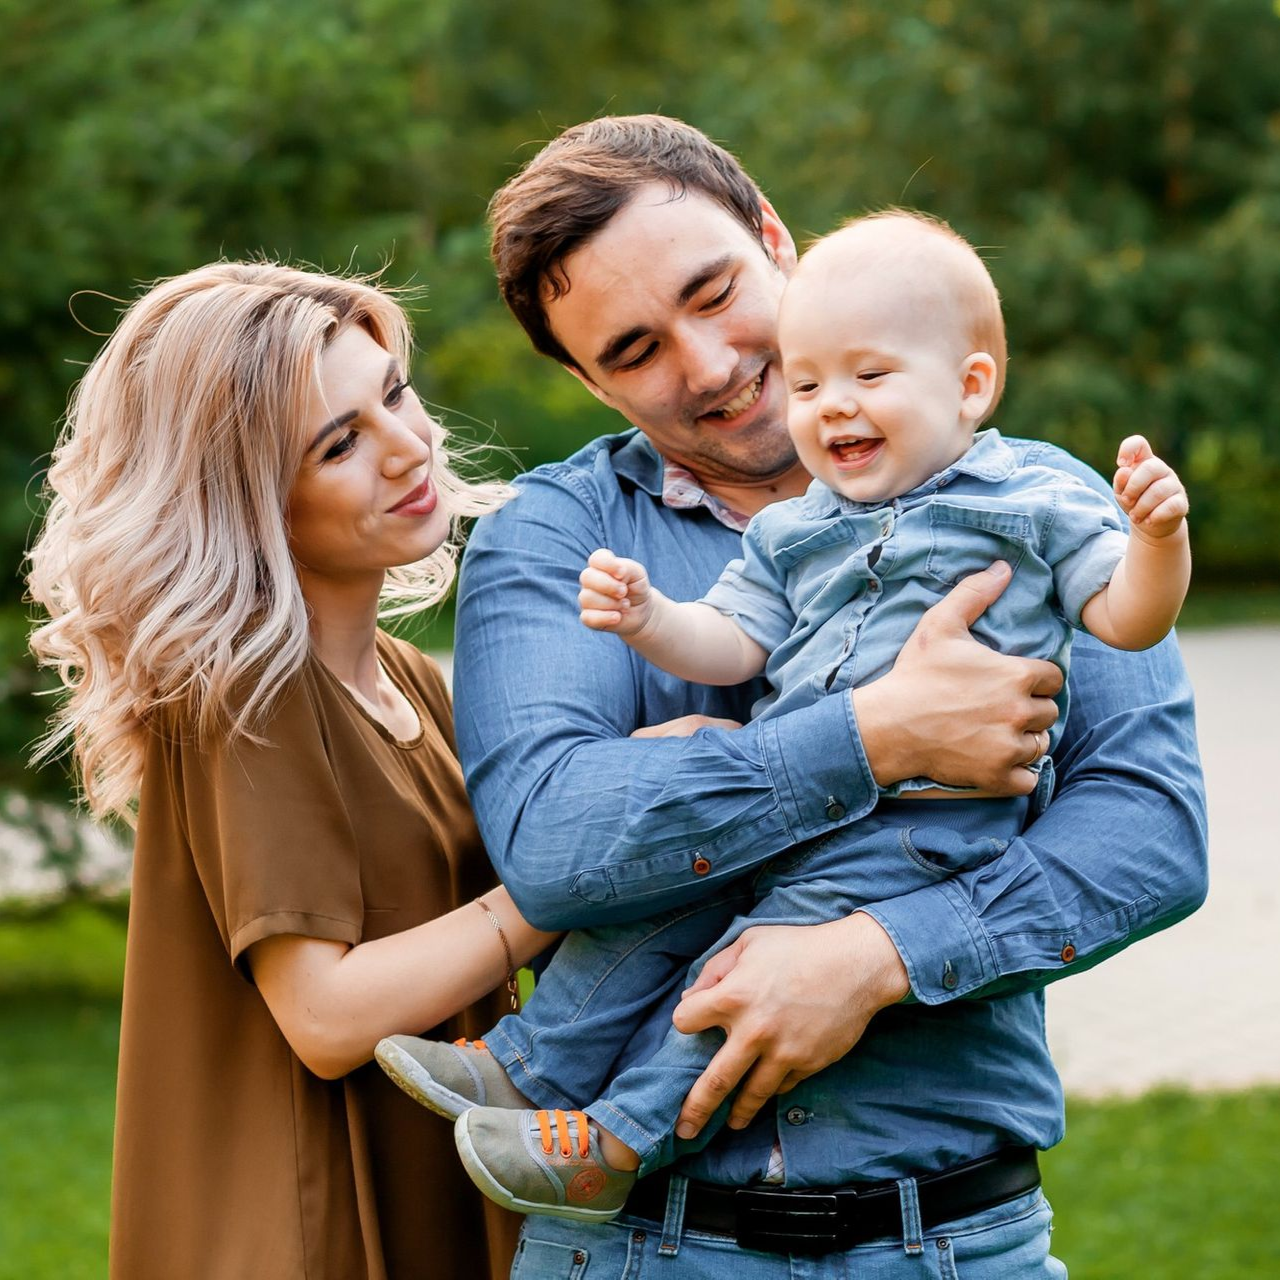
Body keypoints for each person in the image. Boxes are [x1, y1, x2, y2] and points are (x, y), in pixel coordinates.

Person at [420, 115, 1203, 1275]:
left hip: (952, 1235)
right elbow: (555, 839)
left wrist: (875, 953)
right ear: (585, 379)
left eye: (713, 289)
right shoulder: (558, 539)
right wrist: (877, 735)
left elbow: (1146, 834)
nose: (705, 362)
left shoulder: (1031, 499)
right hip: (651, 1251)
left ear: (774, 239)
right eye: (632, 349)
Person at [25, 262, 558, 1280]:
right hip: (311, 1226)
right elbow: (327, 1015)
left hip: (438, 1189)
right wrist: (562, 883)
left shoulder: (400, 674)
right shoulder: (249, 695)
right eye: (338, 443)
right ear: (251, 502)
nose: (409, 446)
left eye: (391, 394)